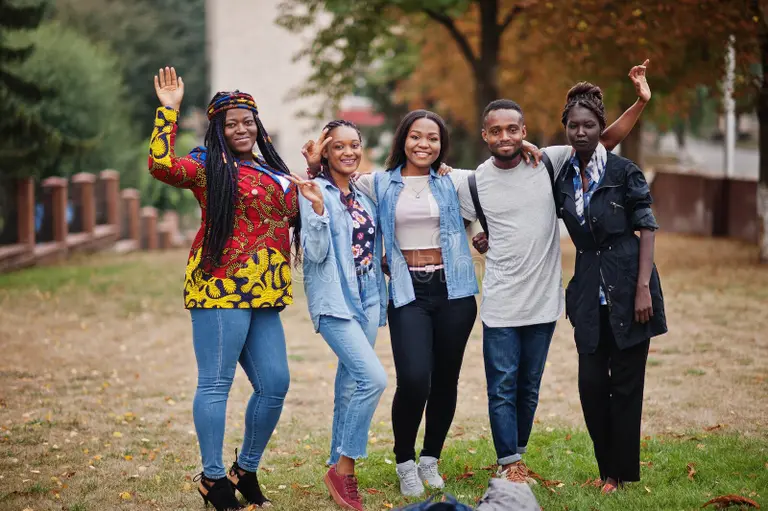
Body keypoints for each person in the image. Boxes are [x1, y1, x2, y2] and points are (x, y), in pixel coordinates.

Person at [449, 62, 653, 483]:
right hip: (502, 300)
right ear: (484, 135)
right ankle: (509, 463)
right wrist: (477, 233)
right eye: (496, 131)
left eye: (513, 129)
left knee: (529, 386)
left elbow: (605, 138)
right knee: (503, 384)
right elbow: (454, 209)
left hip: (544, 300)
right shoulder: (472, 183)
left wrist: (640, 103)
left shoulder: (549, 163)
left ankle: (518, 456)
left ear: (524, 131)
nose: (505, 137)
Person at [149, 67, 299, 510]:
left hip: (266, 293)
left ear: (258, 125)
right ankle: (213, 479)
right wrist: (168, 113)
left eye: (247, 121)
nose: (241, 128)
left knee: (275, 384)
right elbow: (161, 165)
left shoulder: (273, 168)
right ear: (217, 128)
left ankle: (244, 470)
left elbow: (297, 214)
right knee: (216, 384)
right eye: (230, 123)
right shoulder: (206, 165)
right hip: (220, 288)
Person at [554, 82, 666, 494]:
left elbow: (647, 228)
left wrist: (642, 289)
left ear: (601, 128)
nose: (580, 132)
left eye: (589, 126)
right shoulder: (561, 174)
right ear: (565, 129)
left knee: (626, 386)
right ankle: (608, 468)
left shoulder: (624, 172)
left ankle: (615, 475)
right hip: (586, 293)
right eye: (573, 126)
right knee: (591, 386)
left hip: (629, 288)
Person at [291, 120, 388, 511]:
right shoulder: (317, 192)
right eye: (339, 147)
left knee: (350, 384)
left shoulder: (364, 194)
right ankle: (344, 470)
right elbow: (314, 254)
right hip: (334, 299)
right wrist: (315, 208)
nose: (348, 152)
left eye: (354, 145)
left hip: (367, 297)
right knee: (373, 379)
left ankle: (335, 461)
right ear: (326, 153)